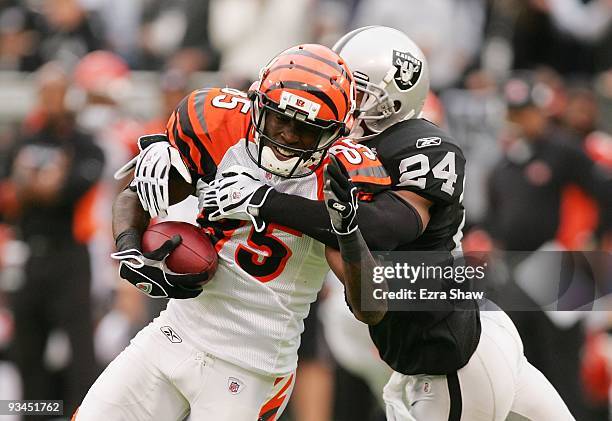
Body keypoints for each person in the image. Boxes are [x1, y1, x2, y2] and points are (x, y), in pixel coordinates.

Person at [200, 26, 576, 420]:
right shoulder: (339, 148)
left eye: (355, 91)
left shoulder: (421, 143)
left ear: (393, 98)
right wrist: (168, 147)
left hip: (451, 353)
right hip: (457, 333)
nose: (341, 101)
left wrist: (266, 202)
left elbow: (385, 226)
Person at [75, 43, 380, 420]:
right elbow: (137, 195)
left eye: (304, 130)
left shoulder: (338, 180)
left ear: (335, 133)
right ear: (256, 105)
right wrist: (130, 247)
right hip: (175, 332)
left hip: (251, 368)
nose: (285, 137)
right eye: (279, 119)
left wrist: (347, 228)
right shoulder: (221, 129)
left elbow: (371, 308)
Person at [1, 61, 104, 418]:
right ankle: (34, 414)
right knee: (26, 348)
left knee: (80, 351)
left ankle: (85, 415)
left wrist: (37, 186)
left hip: (70, 256)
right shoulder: (22, 138)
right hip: (30, 253)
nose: (51, 99)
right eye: (46, 92)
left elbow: (70, 188)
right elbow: (9, 197)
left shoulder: (84, 142)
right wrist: (34, 187)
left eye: (58, 91)